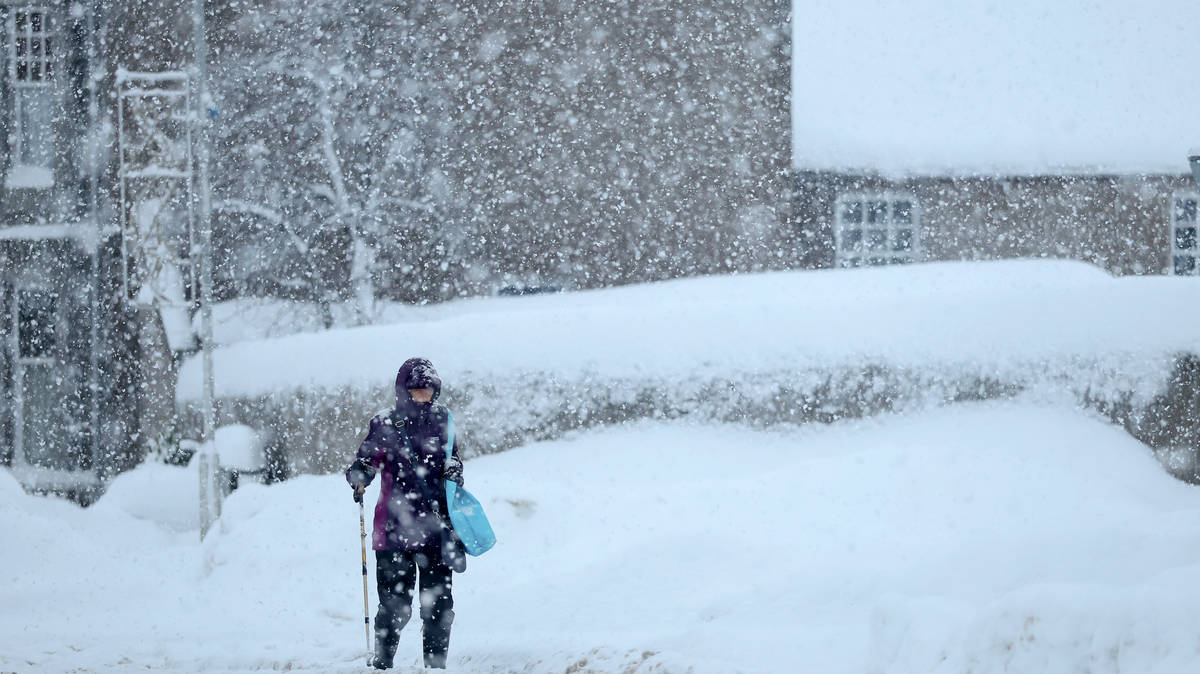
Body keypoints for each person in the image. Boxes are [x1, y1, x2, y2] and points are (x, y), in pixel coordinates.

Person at [346, 357, 466, 670]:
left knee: (439, 607)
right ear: (404, 390)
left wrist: (454, 469)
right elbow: (368, 460)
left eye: (428, 390)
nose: (423, 396)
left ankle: (435, 667)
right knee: (396, 606)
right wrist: (360, 474)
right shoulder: (385, 422)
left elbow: (454, 458)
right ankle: (383, 664)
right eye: (416, 390)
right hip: (394, 530)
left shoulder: (444, 419)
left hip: (437, 529)